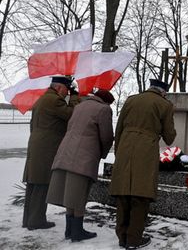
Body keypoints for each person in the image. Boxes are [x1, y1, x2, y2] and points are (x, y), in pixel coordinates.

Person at [110, 79, 176, 249]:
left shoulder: (131, 99)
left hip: (125, 147)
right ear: (163, 92)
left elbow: (119, 128)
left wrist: (119, 151)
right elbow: (169, 137)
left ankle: (122, 236)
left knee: (123, 193)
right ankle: (133, 240)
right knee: (140, 196)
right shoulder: (165, 105)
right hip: (145, 151)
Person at [46, 89, 115, 242]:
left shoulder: (79, 106)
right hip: (84, 156)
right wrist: (102, 153)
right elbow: (106, 136)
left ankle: (69, 229)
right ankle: (77, 231)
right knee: (80, 194)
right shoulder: (104, 109)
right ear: (106, 101)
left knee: (71, 194)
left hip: (66, 152)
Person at [22, 76, 80, 230]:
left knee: (33, 183)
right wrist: (75, 97)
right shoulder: (54, 100)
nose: (67, 93)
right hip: (46, 147)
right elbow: (73, 114)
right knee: (42, 183)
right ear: (60, 87)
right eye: (67, 90)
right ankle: (36, 221)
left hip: (37, 144)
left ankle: (28, 219)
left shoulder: (42, 99)